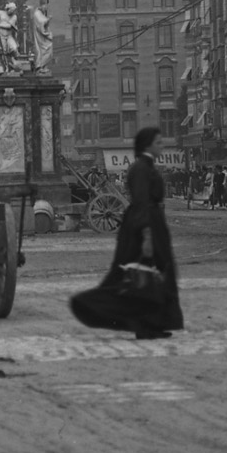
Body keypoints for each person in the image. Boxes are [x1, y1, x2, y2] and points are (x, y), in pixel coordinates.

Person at [71, 126, 184, 339]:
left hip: (149, 223)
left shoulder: (146, 166)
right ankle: (143, 324)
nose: (163, 146)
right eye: (159, 142)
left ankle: (152, 324)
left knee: (153, 275)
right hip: (143, 226)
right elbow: (141, 201)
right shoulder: (141, 168)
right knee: (142, 275)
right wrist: (147, 235)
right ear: (148, 145)